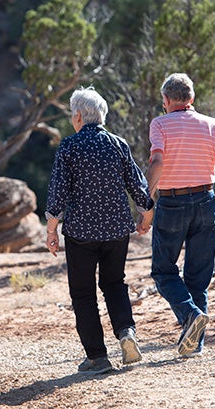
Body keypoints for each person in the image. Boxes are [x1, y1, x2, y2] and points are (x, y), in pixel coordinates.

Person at [45, 86, 155, 375]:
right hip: (117, 229)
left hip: (81, 233)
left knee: (83, 294)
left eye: (73, 114)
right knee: (115, 284)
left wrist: (51, 230)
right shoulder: (118, 144)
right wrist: (146, 213)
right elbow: (137, 184)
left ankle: (97, 357)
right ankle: (127, 334)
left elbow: (58, 192)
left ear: (79, 116)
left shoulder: (69, 147)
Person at [140, 72, 215, 357]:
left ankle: (189, 316)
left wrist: (146, 200)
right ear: (192, 99)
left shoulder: (160, 124)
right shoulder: (212, 125)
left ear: (166, 100)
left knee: (163, 271)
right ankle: (194, 344)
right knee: (197, 277)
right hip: (205, 201)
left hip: (172, 203)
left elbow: (157, 161)